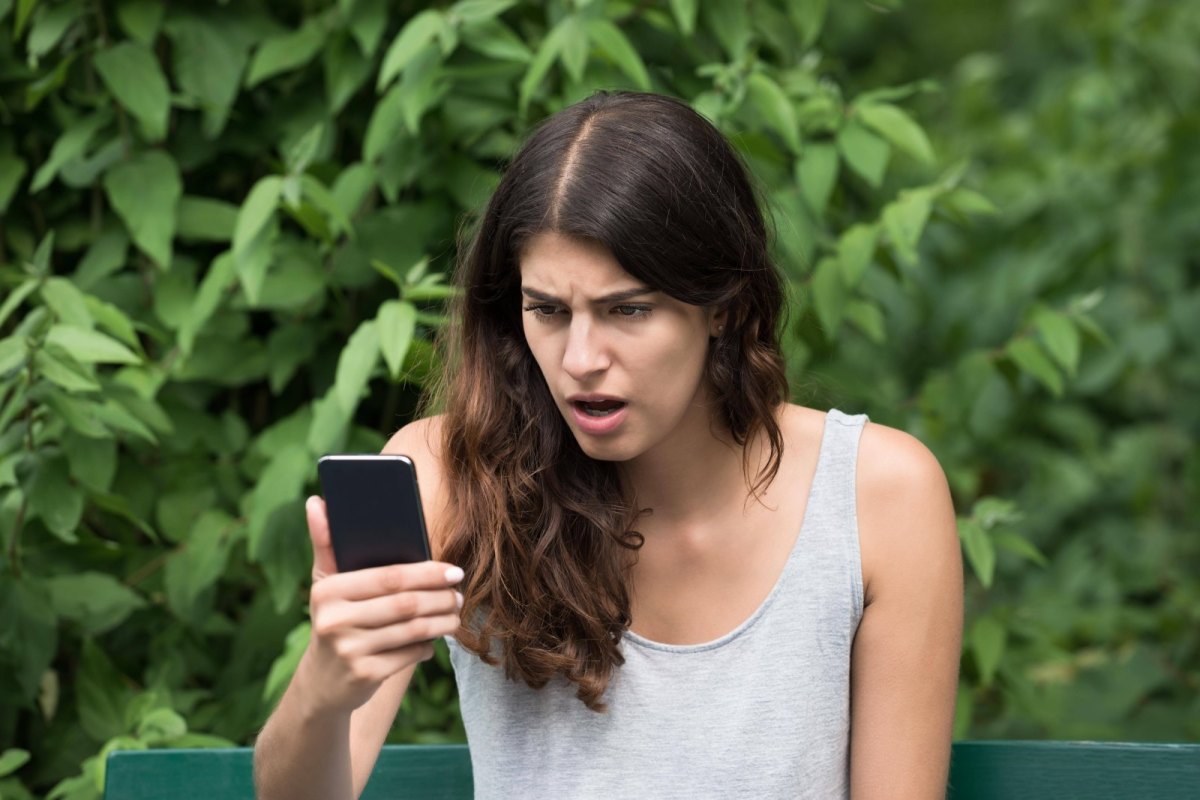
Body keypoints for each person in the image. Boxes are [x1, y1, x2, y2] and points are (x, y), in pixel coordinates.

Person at [253, 91, 962, 799]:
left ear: (724, 305)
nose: (581, 358)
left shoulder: (877, 495)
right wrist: (325, 682)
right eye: (549, 311)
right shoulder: (449, 476)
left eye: (627, 309)